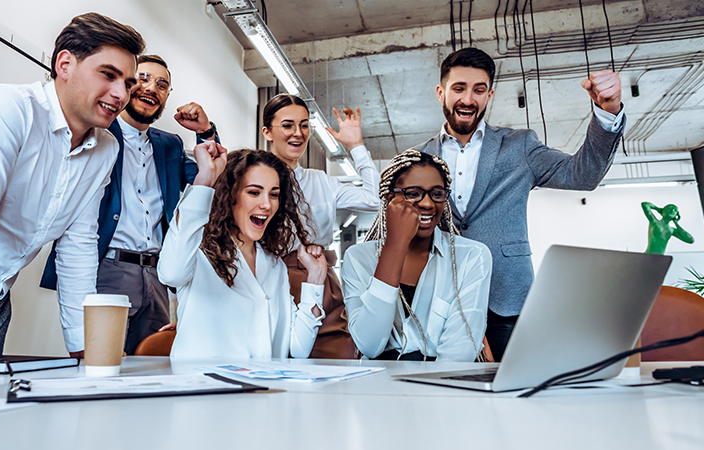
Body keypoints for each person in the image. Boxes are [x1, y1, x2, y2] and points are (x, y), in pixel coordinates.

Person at [0, 13, 145, 379]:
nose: (121, 95)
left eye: (127, 83)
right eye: (108, 75)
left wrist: (84, 342)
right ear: (65, 64)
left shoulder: (106, 147)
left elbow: (77, 244)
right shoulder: (9, 108)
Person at [413, 48, 626, 361]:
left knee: (516, 397)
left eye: (479, 90)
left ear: (490, 95)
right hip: (441, 302)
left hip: (507, 299)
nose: (468, 99)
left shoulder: (519, 146)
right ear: (440, 92)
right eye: (459, 88)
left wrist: (608, 111)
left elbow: (583, 175)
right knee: (448, 398)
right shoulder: (418, 159)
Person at [40, 54, 218, 354]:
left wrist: (205, 133)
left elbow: (210, 176)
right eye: (144, 78)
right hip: (108, 268)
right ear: (128, 83)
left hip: (157, 274)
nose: (152, 88)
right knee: (102, 363)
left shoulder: (170, 144)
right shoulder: (100, 131)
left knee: (153, 364)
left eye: (162, 85)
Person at [157, 144, 327, 358]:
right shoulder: (197, 251)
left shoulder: (274, 265)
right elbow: (169, 274)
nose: (266, 204)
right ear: (230, 196)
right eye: (254, 192)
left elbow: (299, 349)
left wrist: (316, 279)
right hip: (204, 387)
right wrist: (206, 178)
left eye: (274, 194)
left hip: (263, 388)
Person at [342, 149, 492, 361]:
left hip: (442, 381)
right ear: (390, 198)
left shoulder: (472, 256)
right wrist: (395, 245)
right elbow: (370, 344)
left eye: (437, 193)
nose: (428, 204)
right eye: (413, 193)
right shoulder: (358, 258)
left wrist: (430, 392)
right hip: (378, 382)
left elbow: (460, 349)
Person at [262, 94, 380, 358]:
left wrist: (356, 146)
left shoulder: (322, 181)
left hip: (319, 278)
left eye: (304, 125)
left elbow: (374, 200)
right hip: (269, 277)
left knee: (335, 355)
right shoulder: (253, 178)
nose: (298, 133)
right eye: (288, 125)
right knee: (276, 361)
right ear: (267, 132)